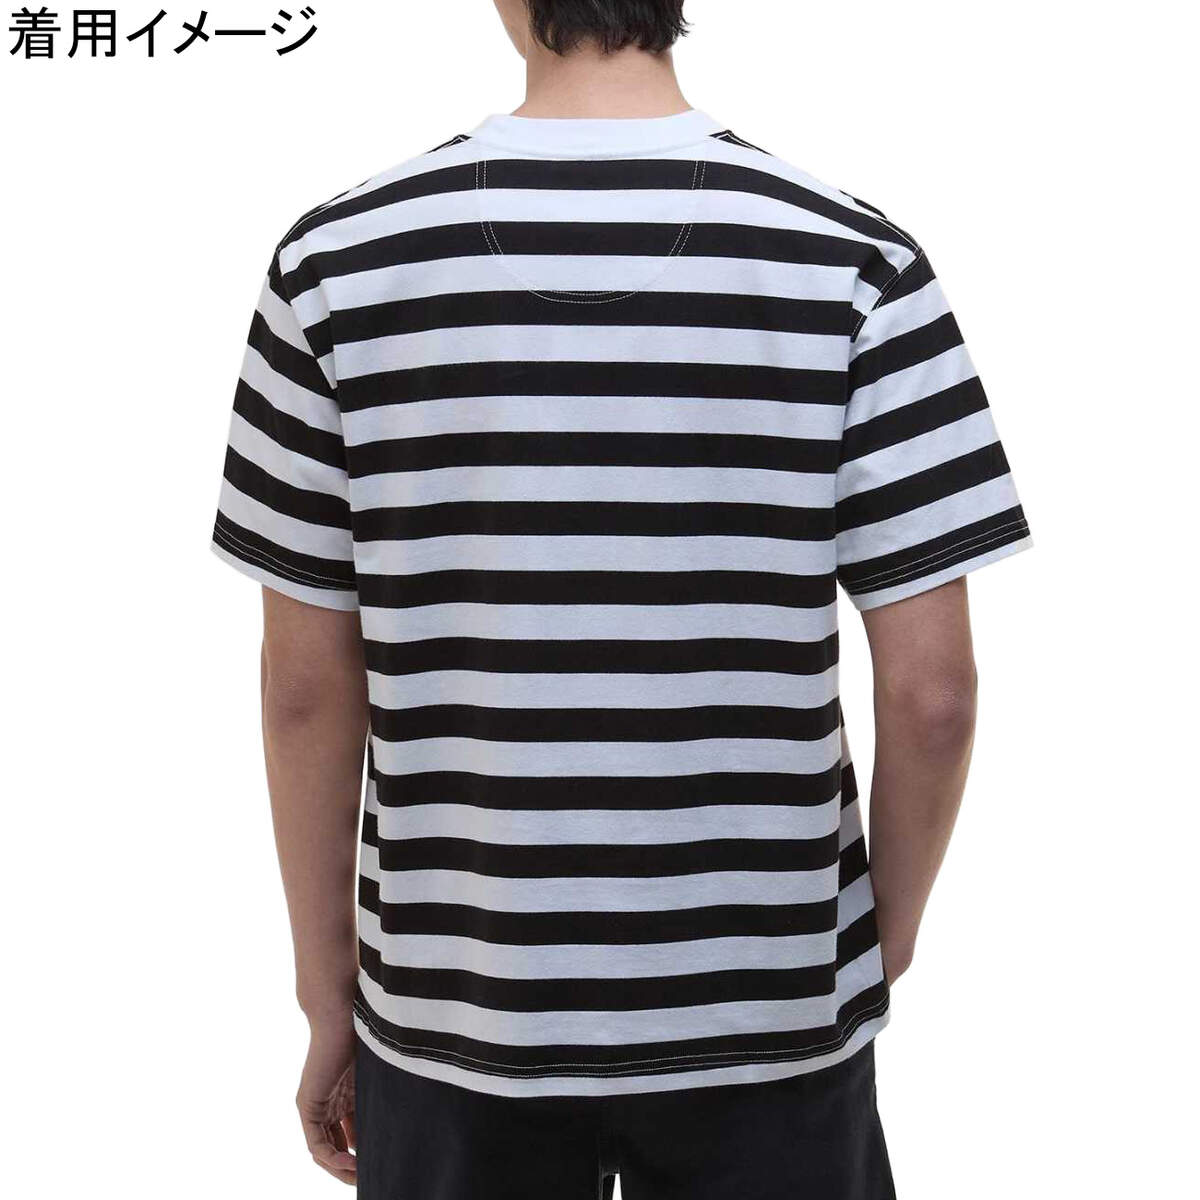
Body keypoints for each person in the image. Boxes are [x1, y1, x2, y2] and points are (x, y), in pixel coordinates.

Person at [210, 1, 1031, 1195]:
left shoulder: (335, 265)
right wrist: (876, 939)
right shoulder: (856, 261)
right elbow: (935, 693)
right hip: (771, 1002)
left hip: (457, 1007)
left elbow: (303, 692)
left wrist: (325, 990)